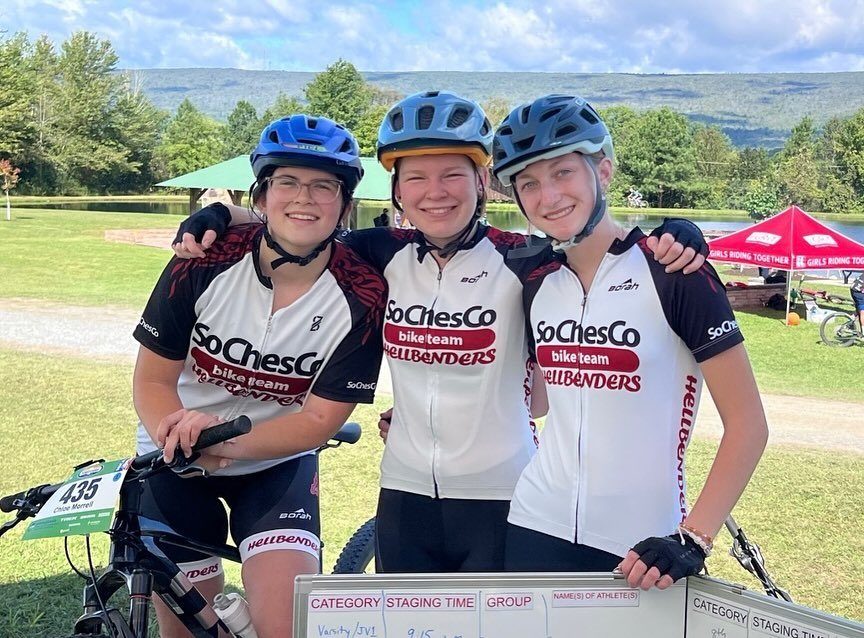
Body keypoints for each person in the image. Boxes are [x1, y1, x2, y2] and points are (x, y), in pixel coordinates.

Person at [171, 91, 708, 574]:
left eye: (453, 174)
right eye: (415, 177)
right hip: (403, 496)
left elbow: (596, 248)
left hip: (504, 497)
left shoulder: (524, 259)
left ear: (482, 182)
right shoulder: (378, 255)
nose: (436, 193)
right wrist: (225, 211)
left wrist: (677, 236)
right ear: (396, 190)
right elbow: (299, 222)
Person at [491, 94, 769, 588]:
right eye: (528, 183)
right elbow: (538, 400)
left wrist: (694, 539)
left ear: (603, 170)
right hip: (534, 522)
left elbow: (749, 425)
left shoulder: (674, 271)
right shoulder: (536, 279)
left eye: (562, 172)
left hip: (639, 545)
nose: (547, 196)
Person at [133, 114, 386, 637]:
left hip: (276, 461)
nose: (304, 198)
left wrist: (223, 447)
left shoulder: (363, 293)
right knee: (186, 629)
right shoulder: (202, 262)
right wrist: (180, 438)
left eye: (324, 186)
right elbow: (154, 382)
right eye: (287, 182)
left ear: (345, 203)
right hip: (174, 453)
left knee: (284, 628)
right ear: (263, 195)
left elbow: (318, 419)